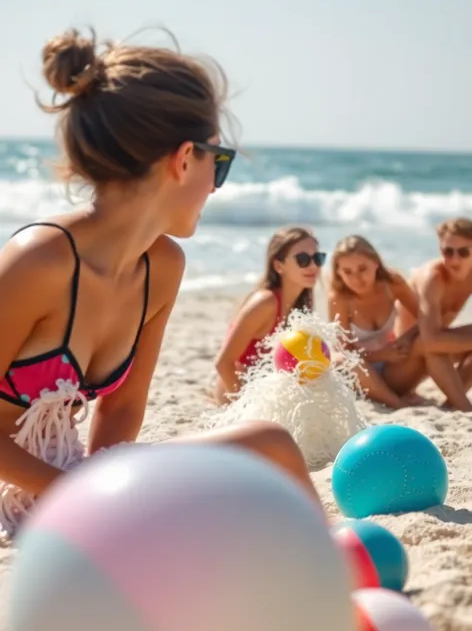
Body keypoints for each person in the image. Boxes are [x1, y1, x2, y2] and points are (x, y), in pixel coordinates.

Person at [0, 28, 321, 537]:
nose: (217, 186)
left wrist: (114, 491)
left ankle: (333, 587)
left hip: (76, 484)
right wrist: (75, 495)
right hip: (19, 492)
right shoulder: (38, 261)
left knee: (270, 443)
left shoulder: (162, 268)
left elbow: (122, 407)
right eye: (220, 163)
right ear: (184, 157)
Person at [214, 226, 325, 403]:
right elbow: (223, 363)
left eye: (318, 258)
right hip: (236, 393)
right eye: (303, 259)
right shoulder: (265, 303)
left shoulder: (301, 304)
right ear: (278, 266)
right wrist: (243, 407)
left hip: (267, 388)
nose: (313, 266)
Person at [328, 235, 422, 409]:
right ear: (338, 273)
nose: (356, 278)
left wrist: (407, 338)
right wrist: (383, 354)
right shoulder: (340, 298)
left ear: (376, 263)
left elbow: (425, 317)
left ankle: (455, 398)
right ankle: (397, 403)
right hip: (357, 374)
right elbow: (345, 351)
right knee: (345, 360)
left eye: (363, 268)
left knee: (426, 342)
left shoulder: (392, 283)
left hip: (389, 367)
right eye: (347, 272)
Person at [396, 217, 472, 412]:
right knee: (428, 341)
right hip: (402, 362)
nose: (454, 259)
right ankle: (464, 407)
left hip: (435, 356)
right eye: (448, 251)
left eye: (463, 252)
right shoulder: (434, 277)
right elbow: (430, 341)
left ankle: (453, 404)